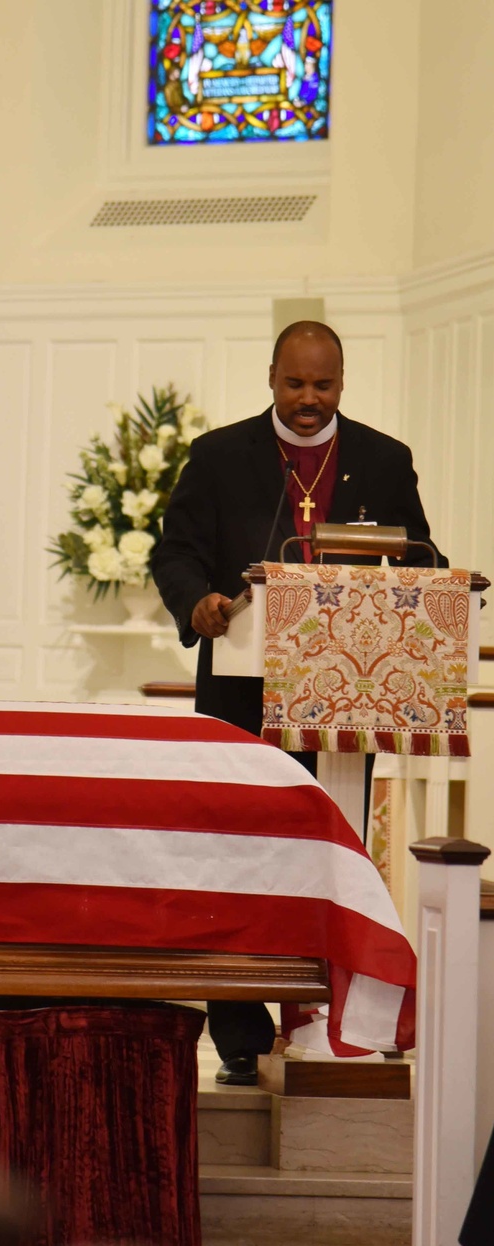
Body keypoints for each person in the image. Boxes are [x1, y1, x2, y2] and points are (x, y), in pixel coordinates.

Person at [151, 320, 446, 1086]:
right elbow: (175, 552)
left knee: (333, 856)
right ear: (271, 377)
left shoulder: (384, 458)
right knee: (239, 858)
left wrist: (445, 586)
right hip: (241, 698)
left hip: (348, 696)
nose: (309, 401)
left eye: (324, 386)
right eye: (295, 384)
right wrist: (199, 606)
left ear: (342, 381)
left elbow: (421, 557)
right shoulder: (219, 456)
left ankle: (336, 1020)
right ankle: (243, 1036)